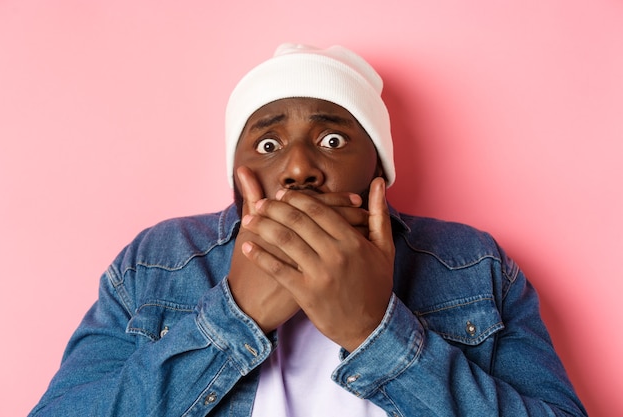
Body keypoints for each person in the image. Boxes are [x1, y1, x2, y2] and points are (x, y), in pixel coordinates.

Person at [30, 44, 587, 416]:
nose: (299, 168)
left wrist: (377, 332)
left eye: (333, 140)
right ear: (236, 174)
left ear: (379, 170)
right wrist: (234, 317)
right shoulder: (159, 260)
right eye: (269, 145)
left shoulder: (470, 263)